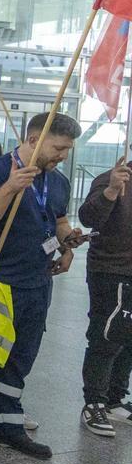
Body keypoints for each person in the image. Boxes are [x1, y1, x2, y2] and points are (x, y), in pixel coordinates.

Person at [0, 112, 84, 462]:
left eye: (68, 150)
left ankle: (8, 426)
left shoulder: (56, 180)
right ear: (34, 139)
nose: (63, 156)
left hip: (37, 284)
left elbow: (58, 219)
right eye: (58, 148)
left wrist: (68, 242)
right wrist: (10, 187)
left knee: (19, 362)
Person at [76, 156, 132, 436]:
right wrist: (111, 191)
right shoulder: (112, 178)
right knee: (107, 336)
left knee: (128, 339)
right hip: (112, 271)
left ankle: (113, 398)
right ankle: (94, 402)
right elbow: (88, 217)